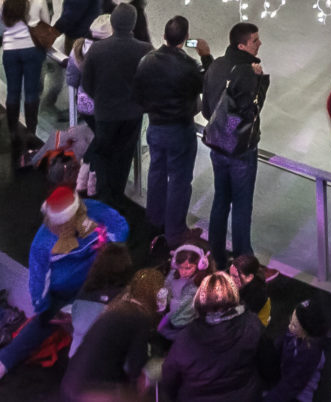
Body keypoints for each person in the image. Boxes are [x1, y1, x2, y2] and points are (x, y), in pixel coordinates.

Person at [202, 22, 271, 268]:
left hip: (217, 147)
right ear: (241, 45)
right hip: (240, 151)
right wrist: (261, 82)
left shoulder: (216, 66)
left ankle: (217, 254)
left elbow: (207, 110)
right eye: (254, 40)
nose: (259, 43)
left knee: (221, 199)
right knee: (242, 205)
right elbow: (250, 113)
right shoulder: (247, 73)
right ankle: (244, 262)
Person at [138, 16, 213, 242]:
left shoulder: (147, 60)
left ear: (164, 36)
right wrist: (206, 56)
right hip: (180, 130)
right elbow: (209, 83)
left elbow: (139, 90)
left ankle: (154, 219)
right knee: (179, 181)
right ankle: (175, 231)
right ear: (186, 38)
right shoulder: (189, 67)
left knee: (156, 173)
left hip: (155, 127)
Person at [157, 263, 263, 402]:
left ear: (200, 300)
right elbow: (266, 362)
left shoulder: (186, 338)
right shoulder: (253, 324)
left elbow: (169, 377)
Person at [62, 266, 163, 402]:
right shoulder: (141, 317)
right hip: (92, 388)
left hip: (73, 376)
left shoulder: (117, 306)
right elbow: (135, 365)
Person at [85, 0, 152, 204]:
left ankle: (103, 196)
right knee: (123, 158)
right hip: (132, 115)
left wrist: (102, 99)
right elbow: (149, 83)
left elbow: (87, 83)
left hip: (105, 113)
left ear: (112, 24)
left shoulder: (97, 50)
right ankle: (117, 198)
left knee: (103, 153)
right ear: (133, 24)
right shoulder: (146, 50)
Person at [0, 0, 53, 152]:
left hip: (11, 51)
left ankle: (12, 131)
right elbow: (47, 22)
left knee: (13, 92)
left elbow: (1, 23)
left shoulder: (4, 1)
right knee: (31, 92)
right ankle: (31, 132)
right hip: (32, 50)